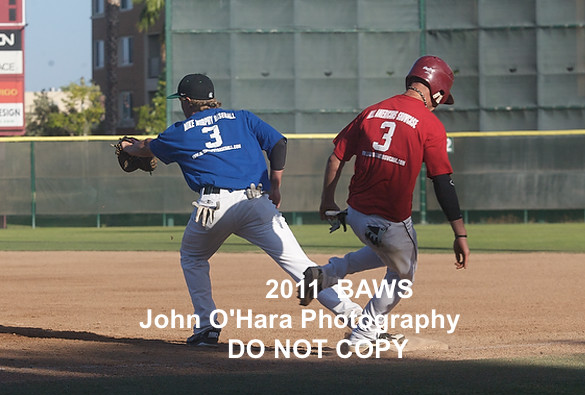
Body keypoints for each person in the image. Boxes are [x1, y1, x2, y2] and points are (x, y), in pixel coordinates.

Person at [122, 73, 362, 346]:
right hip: (256, 202)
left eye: (181, 101)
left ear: (187, 101)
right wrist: (275, 186)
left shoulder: (180, 131)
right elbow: (278, 143)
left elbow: (146, 148)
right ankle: (359, 319)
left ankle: (207, 326)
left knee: (193, 257)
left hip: (213, 207)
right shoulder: (242, 118)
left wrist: (128, 147)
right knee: (301, 265)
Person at [297, 56, 470, 350]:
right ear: (438, 92)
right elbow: (443, 183)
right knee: (403, 274)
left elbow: (336, 157)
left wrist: (327, 201)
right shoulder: (430, 123)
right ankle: (364, 334)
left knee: (387, 251)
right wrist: (460, 234)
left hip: (355, 214)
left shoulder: (372, 111)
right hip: (390, 220)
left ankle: (327, 273)